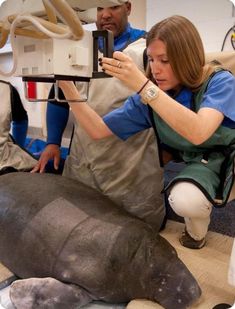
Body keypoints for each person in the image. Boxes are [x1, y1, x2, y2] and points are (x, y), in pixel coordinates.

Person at [56, 15, 235, 250]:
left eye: (165, 60)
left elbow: (199, 131)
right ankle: (196, 230)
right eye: (151, 59)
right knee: (185, 199)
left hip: (230, 157)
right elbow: (97, 130)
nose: (155, 69)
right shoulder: (148, 99)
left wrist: (143, 86)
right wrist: (68, 88)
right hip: (200, 162)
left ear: (188, 57)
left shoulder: (220, 81)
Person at [32, 1, 165, 232]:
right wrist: (52, 142)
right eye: (99, 8)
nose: (105, 15)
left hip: (132, 165)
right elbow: (58, 97)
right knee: (79, 228)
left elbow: (167, 105)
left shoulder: (147, 50)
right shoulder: (78, 49)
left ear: (128, 7)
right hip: (86, 157)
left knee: (132, 234)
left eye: (113, 7)